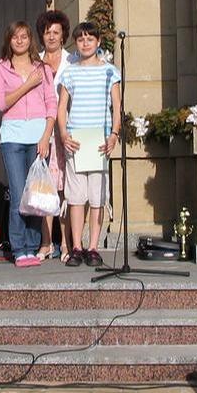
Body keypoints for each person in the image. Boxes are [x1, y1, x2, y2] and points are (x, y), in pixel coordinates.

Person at [0, 21, 57, 267]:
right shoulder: (0, 69)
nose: (20, 41)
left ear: (31, 40)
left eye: (24, 37)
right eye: (15, 37)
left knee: (35, 196)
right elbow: (0, 103)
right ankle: (19, 248)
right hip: (13, 138)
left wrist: (46, 136)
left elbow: (51, 104)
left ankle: (32, 246)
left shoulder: (43, 68)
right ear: (9, 40)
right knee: (19, 194)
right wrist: (27, 84)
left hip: (38, 138)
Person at [56, 21, 121, 267]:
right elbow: (62, 107)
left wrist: (114, 134)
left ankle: (93, 246)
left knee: (97, 196)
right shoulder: (70, 72)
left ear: (98, 42)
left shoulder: (109, 71)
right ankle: (76, 246)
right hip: (77, 140)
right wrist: (64, 134)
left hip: (99, 140)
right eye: (81, 39)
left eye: (90, 39)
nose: (85, 43)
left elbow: (117, 106)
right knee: (75, 197)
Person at [36, 9, 72, 261]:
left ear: (63, 36)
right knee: (44, 188)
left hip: (67, 131)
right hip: (42, 129)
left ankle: (67, 243)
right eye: (47, 32)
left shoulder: (73, 61)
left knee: (66, 189)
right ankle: (46, 242)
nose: (51, 36)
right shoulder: (35, 61)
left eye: (56, 32)